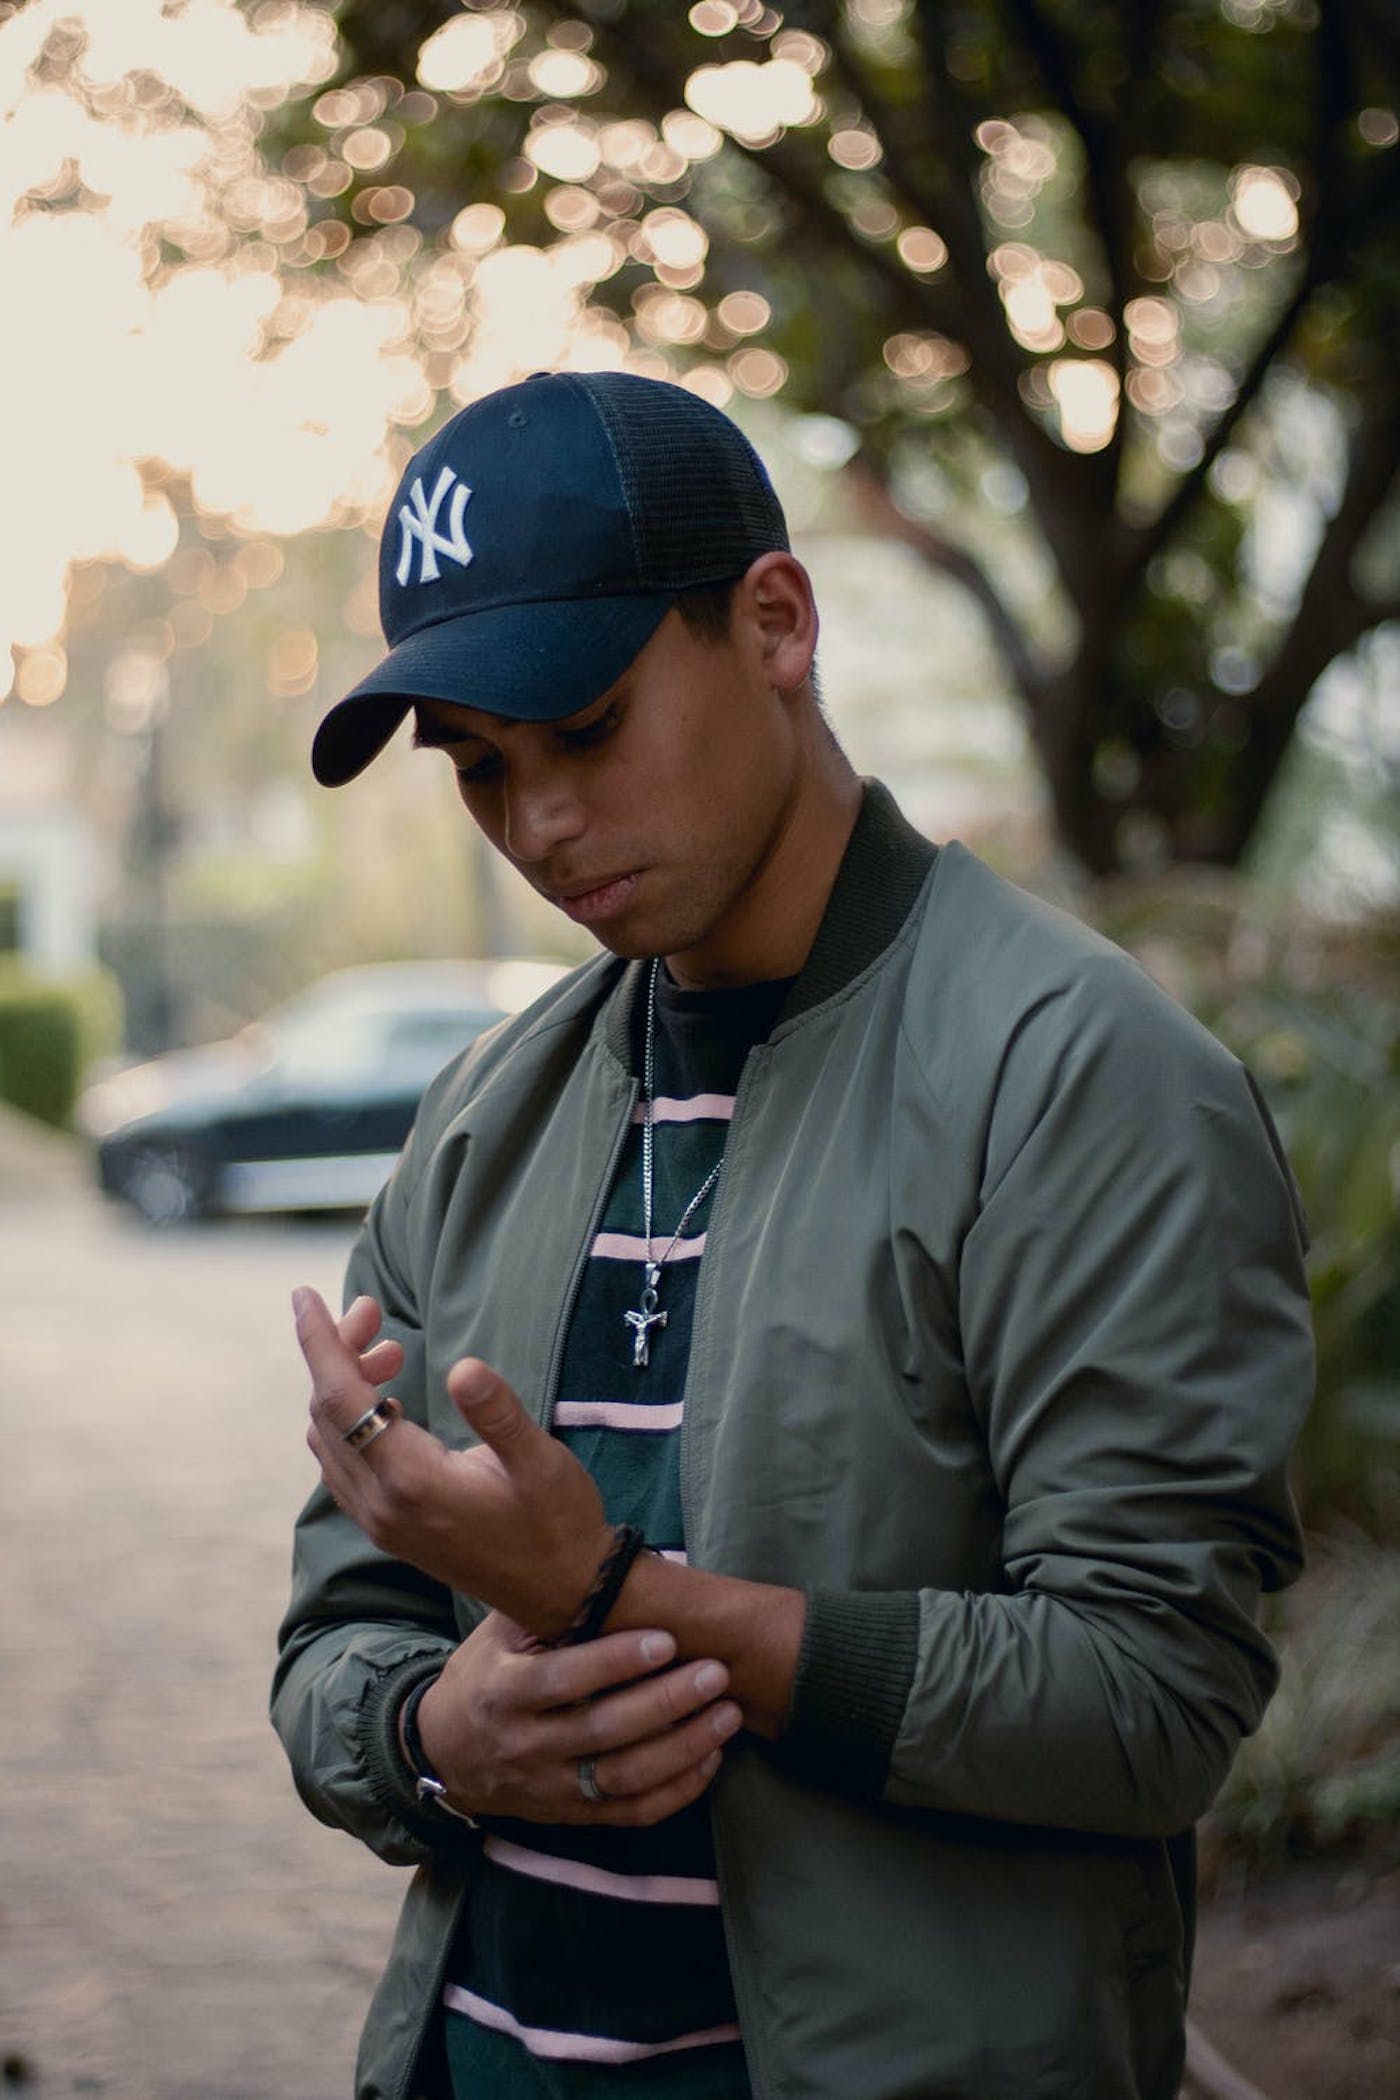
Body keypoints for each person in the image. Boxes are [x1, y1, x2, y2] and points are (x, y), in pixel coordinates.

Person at [273, 369, 1313, 2100]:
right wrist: (432, 1735)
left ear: (774, 623)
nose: (536, 826)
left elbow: (1153, 1698)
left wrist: (619, 1599)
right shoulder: (481, 1114)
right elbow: (335, 1637)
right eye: (478, 769)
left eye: (587, 731)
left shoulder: (1078, 1074)